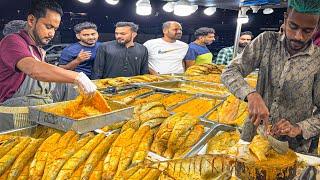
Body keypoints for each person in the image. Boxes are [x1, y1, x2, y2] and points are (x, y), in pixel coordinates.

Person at [221, 0, 320, 153]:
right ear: (286, 19)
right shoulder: (267, 41)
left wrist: (298, 128)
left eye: (307, 30)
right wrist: (250, 94)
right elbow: (230, 71)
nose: (298, 36)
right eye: (293, 26)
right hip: (254, 137)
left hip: (292, 147)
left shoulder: (317, 59)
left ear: (317, 27)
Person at [0, 0, 96, 130]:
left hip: (36, 115)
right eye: (48, 27)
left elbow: (50, 78)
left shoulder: (38, 50)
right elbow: (33, 69)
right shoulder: (12, 41)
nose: (52, 34)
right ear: (31, 20)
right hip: (16, 119)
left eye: (55, 29)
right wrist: (77, 77)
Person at [53, 22, 100, 102]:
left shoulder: (102, 46)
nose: (91, 37)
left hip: (98, 83)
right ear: (78, 36)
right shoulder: (70, 49)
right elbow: (61, 69)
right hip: (77, 85)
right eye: (86, 35)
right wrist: (77, 60)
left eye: (93, 34)